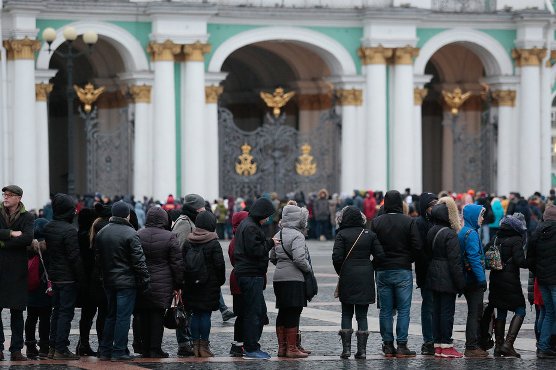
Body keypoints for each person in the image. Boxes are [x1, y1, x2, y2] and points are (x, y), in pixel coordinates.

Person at [95, 201, 150, 361]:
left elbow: (98, 260)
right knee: (123, 317)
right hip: (126, 282)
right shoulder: (131, 233)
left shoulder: (102, 232)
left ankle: (105, 350)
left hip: (108, 281)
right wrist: (145, 280)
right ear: (127, 215)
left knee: (111, 315)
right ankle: (119, 350)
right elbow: (139, 261)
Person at [371, 190, 422, 358]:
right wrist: (408, 259)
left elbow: (373, 247)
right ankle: (401, 345)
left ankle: (387, 345)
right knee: (403, 310)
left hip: (383, 270)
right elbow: (417, 247)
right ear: (400, 203)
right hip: (402, 269)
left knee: (385, 310)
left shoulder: (377, 222)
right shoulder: (409, 221)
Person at [332, 206, 383, 359]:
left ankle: (346, 350)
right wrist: (370, 267)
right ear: (361, 219)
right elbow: (380, 255)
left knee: (346, 313)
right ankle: (362, 351)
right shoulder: (369, 234)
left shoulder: (341, 234)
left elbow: (336, 258)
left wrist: (341, 271)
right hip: (365, 276)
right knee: (362, 315)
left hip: (347, 275)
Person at [234, 197, 280, 360]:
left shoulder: (248, 224)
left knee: (258, 311)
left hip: (250, 273)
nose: (268, 218)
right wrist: (270, 243)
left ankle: (252, 345)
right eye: (267, 214)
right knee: (254, 312)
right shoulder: (251, 227)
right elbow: (256, 250)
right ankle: (251, 347)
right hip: (250, 274)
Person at [137, 207, 183, 358]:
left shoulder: (138, 234)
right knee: (157, 316)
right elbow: (176, 263)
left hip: (142, 281)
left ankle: (144, 348)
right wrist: (178, 284)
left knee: (143, 315)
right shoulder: (170, 236)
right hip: (163, 282)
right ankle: (155, 349)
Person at [44, 193, 85, 360]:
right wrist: (82, 279)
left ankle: (52, 347)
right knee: (65, 314)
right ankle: (61, 348)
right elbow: (74, 257)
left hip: (55, 276)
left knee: (57, 312)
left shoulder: (49, 227)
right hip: (67, 278)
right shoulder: (69, 230)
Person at [271, 204, 312, 358]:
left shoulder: (278, 234)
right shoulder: (297, 235)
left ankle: (282, 348)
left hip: (279, 278)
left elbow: (272, 256)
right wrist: (307, 269)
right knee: (294, 312)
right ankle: (292, 348)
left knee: (282, 311)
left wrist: (282, 265)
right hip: (294, 279)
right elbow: (300, 259)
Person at [426, 198, 465, 358]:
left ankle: (438, 346)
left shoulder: (431, 231)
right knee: (447, 312)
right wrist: (461, 284)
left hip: (433, 275)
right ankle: (447, 346)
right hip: (447, 277)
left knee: (436, 312)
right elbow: (455, 262)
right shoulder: (450, 234)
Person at [182, 211, 225, 357]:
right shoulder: (213, 242)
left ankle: (195, 346)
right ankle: (204, 347)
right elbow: (220, 266)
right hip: (208, 285)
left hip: (191, 285)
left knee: (194, 314)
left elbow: (182, 264)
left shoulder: (188, 241)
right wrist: (219, 282)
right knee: (205, 315)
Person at [0, 185, 34, 361]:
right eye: (4, 194)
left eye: (10, 195)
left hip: (17, 271)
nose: (6, 197)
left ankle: (16, 350)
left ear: (18, 198)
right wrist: (11, 233)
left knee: (17, 312)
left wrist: (3, 243)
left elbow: (27, 238)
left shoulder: (27, 217)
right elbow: (20, 238)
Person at [487, 213, 528, 357]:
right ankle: (508, 344)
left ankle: (499, 346)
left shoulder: (496, 237)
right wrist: (531, 262)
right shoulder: (516, 239)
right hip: (510, 280)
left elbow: (487, 253)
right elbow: (519, 261)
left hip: (496, 279)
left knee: (502, 310)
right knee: (521, 309)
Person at [458, 203, 488, 357]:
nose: (482, 219)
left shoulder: (465, 231)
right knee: (475, 313)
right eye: (480, 215)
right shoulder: (472, 233)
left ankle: (473, 344)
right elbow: (474, 258)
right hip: (473, 280)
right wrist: (482, 279)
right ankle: (471, 346)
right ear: (473, 217)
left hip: (467, 278)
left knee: (474, 312)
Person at [527, 204, 556, 358]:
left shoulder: (536, 232)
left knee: (549, 313)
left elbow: (529, 259)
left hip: (542, 280)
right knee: (552, 313)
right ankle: (548, 345)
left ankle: (543, 346)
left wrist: (539, 272)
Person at [414, 192, 438, 355]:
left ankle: (438, 339)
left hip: (439, 271)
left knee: (438, 307)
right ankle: (428, 341)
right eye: (431, 205)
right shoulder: (419, 223)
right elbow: (419, 249)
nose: (434, 208)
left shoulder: (439, 221)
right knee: (428, 306)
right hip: (426, 272)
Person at [24, 218, 52, 359]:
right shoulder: (48, 248)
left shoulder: (27, 247)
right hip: (44, 289)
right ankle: (44, 347)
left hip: (30, 288)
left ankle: (29, 346)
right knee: (45, 319)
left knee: (31, 317)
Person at [228, 210, 249, 357]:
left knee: (242, 315)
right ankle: (240, 344)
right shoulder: (241, 239)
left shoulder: (235, 239)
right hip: (243, 280)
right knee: (244, 315)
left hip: (237, 280)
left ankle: (239, 343)